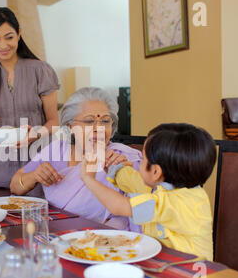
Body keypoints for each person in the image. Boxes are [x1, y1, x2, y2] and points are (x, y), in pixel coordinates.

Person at [10, 87, 148, 230]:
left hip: (101, 238)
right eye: (89, 122)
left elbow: (145, 210)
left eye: (105, 121)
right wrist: (34, 176)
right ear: (70, 126)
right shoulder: (56, 149)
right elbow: (15, 186)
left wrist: (128, 177)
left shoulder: (122, 157)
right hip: (54, 230)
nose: (99, 128)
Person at [80, 123, 217, 260]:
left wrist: (89, 179)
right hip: (164, 267)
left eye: (143, 160)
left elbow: (120, 206)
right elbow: (133, 180)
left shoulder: (181, 203)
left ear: (156, 172)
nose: (139, 164)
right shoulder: (164, 187)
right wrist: (112, 167)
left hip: (192, 275)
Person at [0, 7, 60, 189]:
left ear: (19, 35)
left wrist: (34, 135)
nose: (3, 45)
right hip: (2, 169)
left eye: (9, 37)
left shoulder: (41, 71)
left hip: (39, 166)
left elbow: (54, 122)